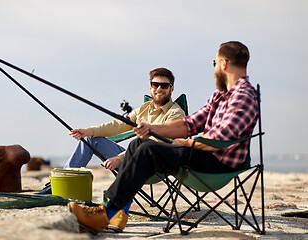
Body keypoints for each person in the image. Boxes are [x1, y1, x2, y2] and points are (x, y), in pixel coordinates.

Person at [68, 41, 260, 234]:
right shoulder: (221, 95)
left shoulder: (243, 95)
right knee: (138, 144)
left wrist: (187, 143)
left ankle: (105, 213)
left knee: (147, 149)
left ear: (224, 64)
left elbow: (223, 137)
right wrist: (152, 128)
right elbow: (190, 123)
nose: (214, 69)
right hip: (204, 154)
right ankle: (113, 212)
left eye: (215, 63)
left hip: (220, 163)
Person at [40, 67, 186, 232]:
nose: (159, 89)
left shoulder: (175, 113)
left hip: (153, 165)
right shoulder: (144, 108)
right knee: (89, 139)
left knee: (139, 146)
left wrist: (120, 158)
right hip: (134, 156)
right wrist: (89, 130)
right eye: (155, 84)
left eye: (164, 86)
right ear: (150, 87)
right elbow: (118, 125)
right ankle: (60, 183)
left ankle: (113, 212)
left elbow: (157, 144)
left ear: (171, 88)